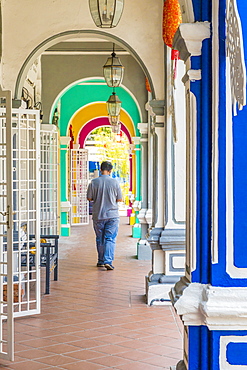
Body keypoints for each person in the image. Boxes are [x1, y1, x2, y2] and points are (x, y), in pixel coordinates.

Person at [87, 161, 122, 270]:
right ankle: (108, 261)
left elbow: (89, 198)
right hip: (112, 215)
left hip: (98, 215)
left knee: (99, 238)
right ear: (110, 171)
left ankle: (101, 260)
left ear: (100, 170)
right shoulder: (115, 183)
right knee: (110, 238)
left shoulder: (93, 182)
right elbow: (119, 199)